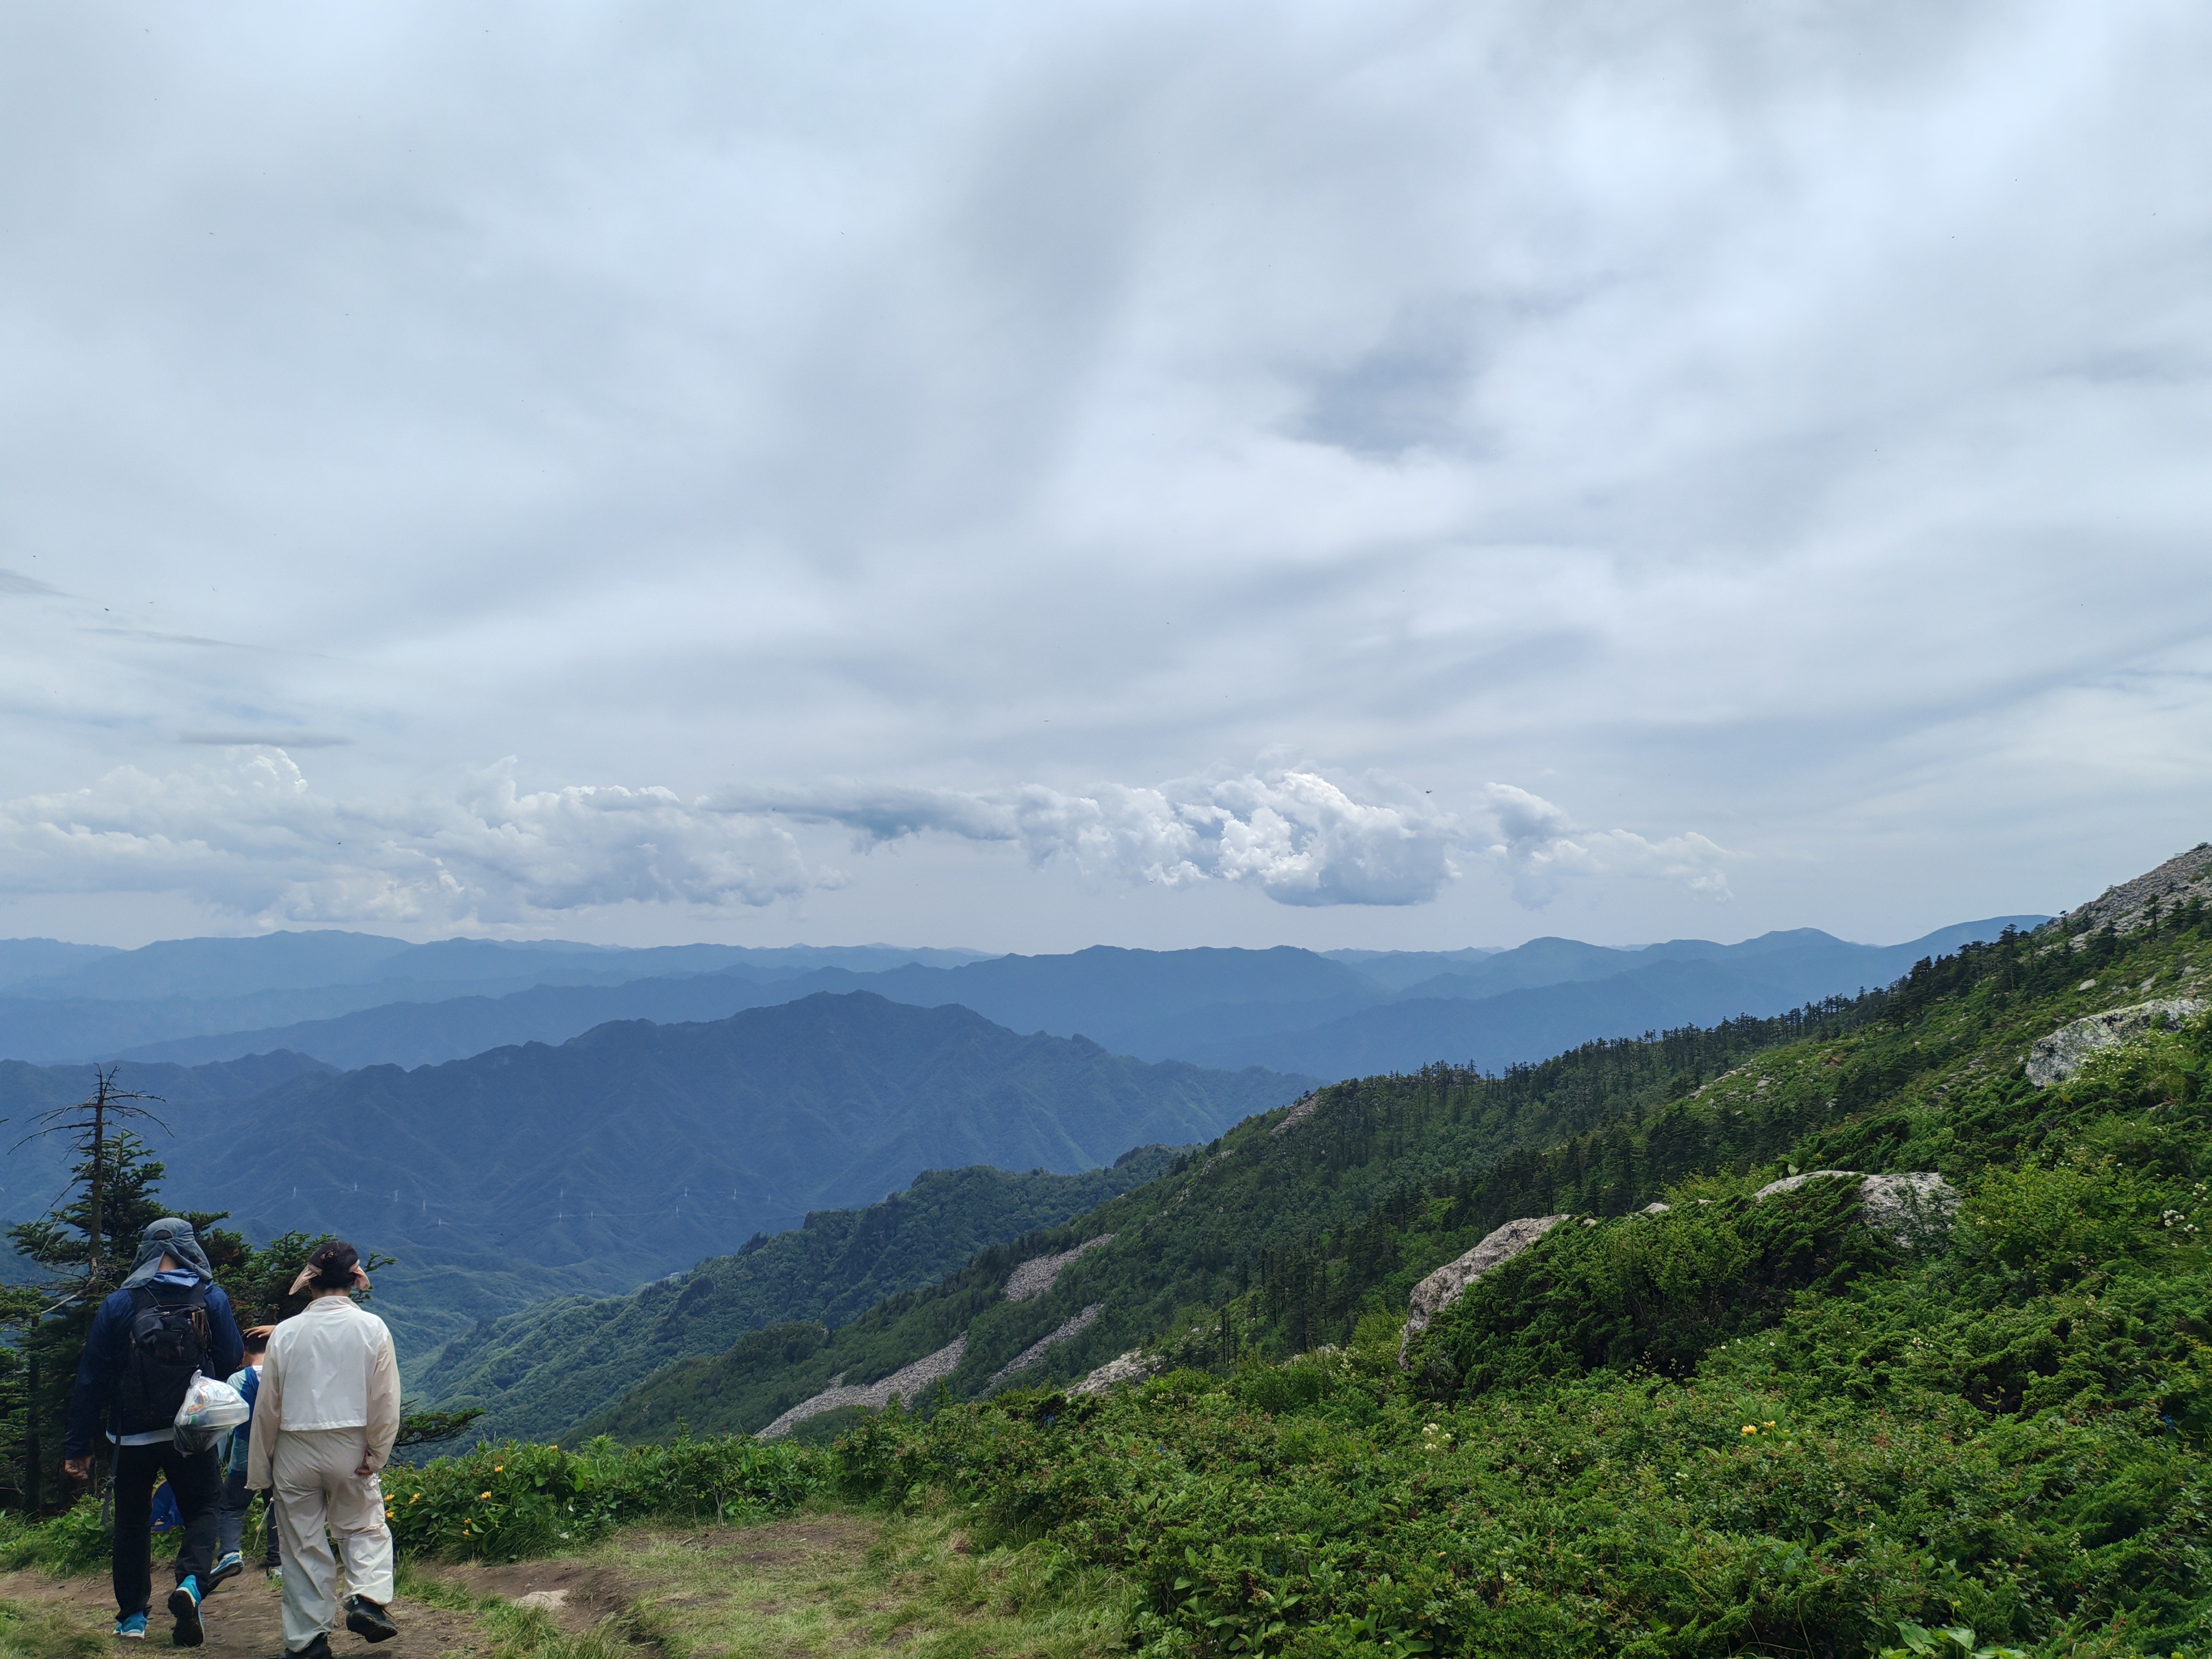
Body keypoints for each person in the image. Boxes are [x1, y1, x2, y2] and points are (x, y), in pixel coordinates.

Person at [62, 1217, 245, 1645]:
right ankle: (191, 1585)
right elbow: (233, 1354)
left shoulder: (120, 1303)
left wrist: (78, 1447)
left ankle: (131, 1619)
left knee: (131, 1521)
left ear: (144, 1251)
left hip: (131, 1435)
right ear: (190, 1249)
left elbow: (91, 1379)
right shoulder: (210, 1296)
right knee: (203, 1509)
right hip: (194, 1429)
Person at [247, 1242, 401, 1659]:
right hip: (350, 1443)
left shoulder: (288, 1333)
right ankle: (367, 1600)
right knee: (364, 1526)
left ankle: (307, 1641)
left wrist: (260, 1469)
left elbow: (268, 1406)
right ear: (356, 1280)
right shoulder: (373, 1329)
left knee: (301, 1545)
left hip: (294, 1446)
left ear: (310, 1282)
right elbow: (385, 1401)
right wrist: (377, 1453)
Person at [210, 1326, 281, 1590]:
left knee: (231, 1508)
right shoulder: (284, 1375)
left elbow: (225, 1427)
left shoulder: (237, 1381)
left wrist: (216, 1460)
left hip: (245, 1456)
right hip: (281, 1455)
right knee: (275, 1507)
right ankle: (277, 1566)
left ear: (244, 1353)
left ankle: (230, 1554)